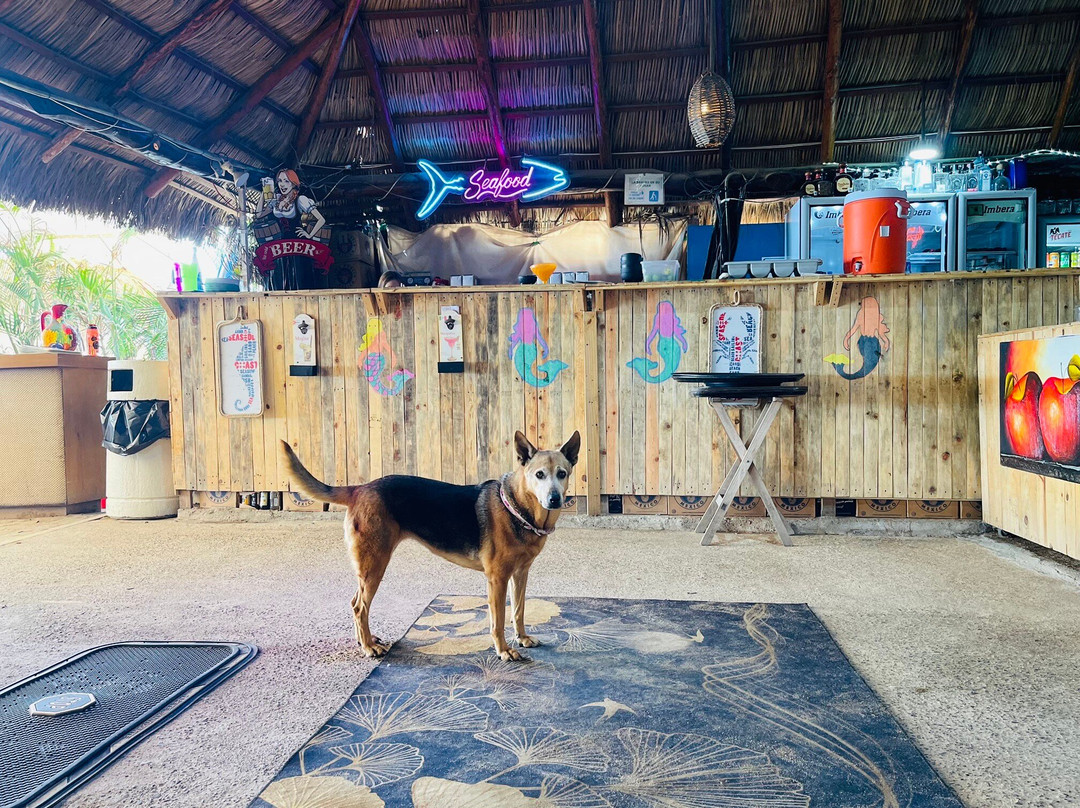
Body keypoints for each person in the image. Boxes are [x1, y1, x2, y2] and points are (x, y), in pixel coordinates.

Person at [255, 169, 326, 241]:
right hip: (279, 242)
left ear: (293, 183)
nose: (282, 184)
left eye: (286, 181)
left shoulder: (300, 200)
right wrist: (263, 193)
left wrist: (309, 235)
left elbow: (321, 220)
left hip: (298, 242)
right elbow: (259, 215)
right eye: (280, 181)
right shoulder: (277, 199)